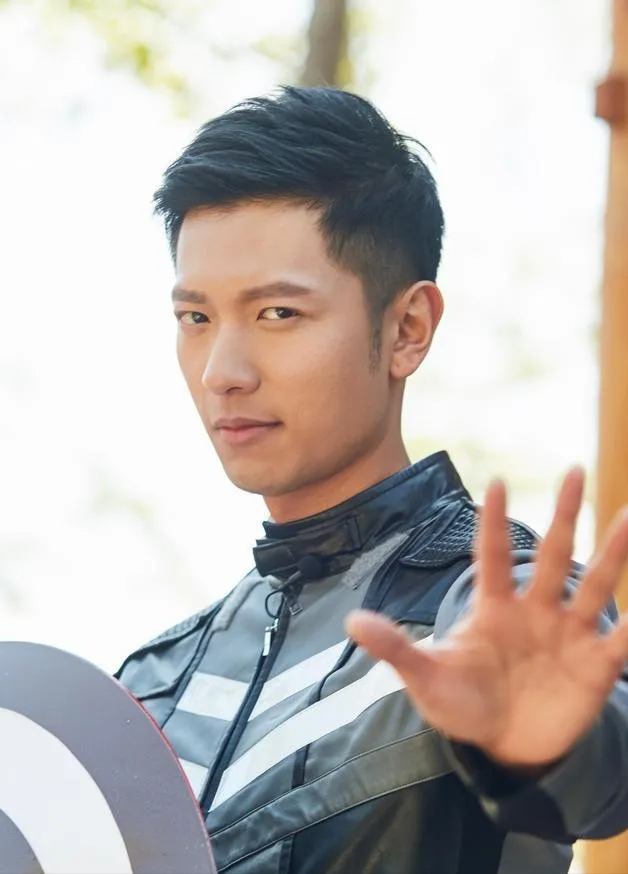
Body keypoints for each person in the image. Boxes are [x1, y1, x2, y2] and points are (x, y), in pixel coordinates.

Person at [116, 86, 628, 874]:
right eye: (197, 318)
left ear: (407, 329)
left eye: (278, 314)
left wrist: (541, 746)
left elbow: (601, 766)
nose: (223, 371)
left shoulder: (486, 607)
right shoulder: (151, 684)